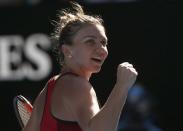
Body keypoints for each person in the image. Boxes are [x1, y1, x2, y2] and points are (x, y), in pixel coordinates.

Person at [22, 2, 138, 131]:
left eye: (103, 42)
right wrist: (121, 87)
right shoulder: (78, 86)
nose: (102, 50)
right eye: (90, 41)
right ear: (67, 51)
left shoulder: (49, 88)